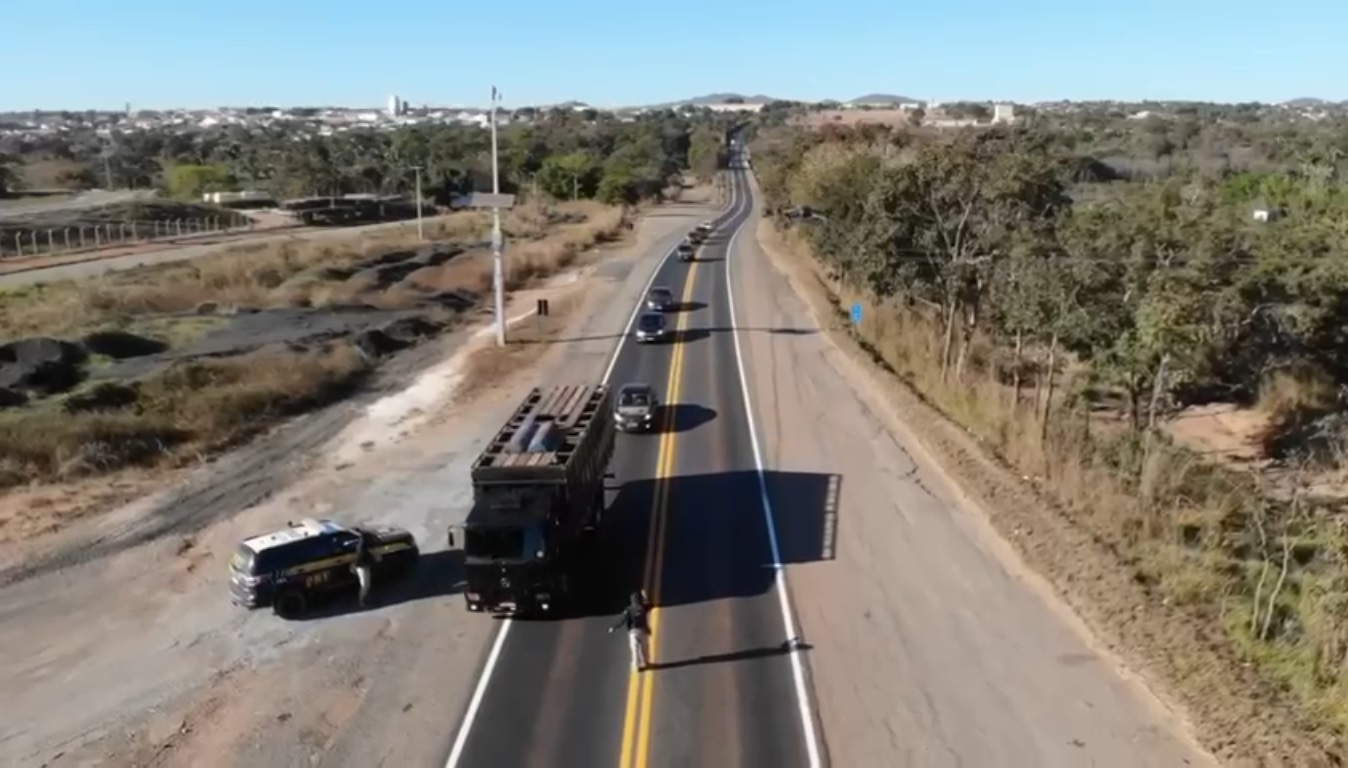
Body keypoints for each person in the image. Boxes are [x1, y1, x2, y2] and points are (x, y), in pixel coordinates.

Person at [609, 590, 651, 671]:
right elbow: (650, 605)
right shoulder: (643, 607)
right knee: (644, 648)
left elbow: (622, 620)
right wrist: (645, 596)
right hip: (642, 631)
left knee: (634, 649)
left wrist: (613, 627)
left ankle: (636, 665)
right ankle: (645, 662)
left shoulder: (629, 610)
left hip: (633, 632)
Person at [352, 533, 375, 607]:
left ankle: (364, 599)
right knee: (365, 585)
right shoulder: (362, 548)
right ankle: (361, 601)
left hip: (364, 566)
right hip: (362, 567)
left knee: (366, 585)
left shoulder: (361, 547)